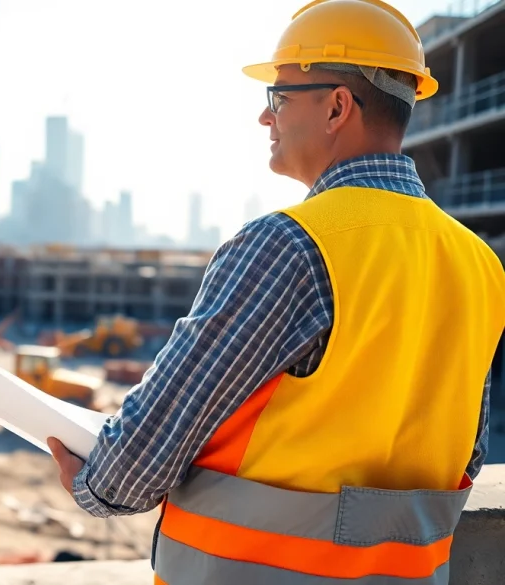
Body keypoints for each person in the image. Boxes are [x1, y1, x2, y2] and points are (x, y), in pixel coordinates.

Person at [46, 2, 505, 583]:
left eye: (279, 97)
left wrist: (97, 483)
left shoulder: (289, 244)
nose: (266, 117)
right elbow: (466, 456)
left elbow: (138, 463)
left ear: (337, 106)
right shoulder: (479, 263)